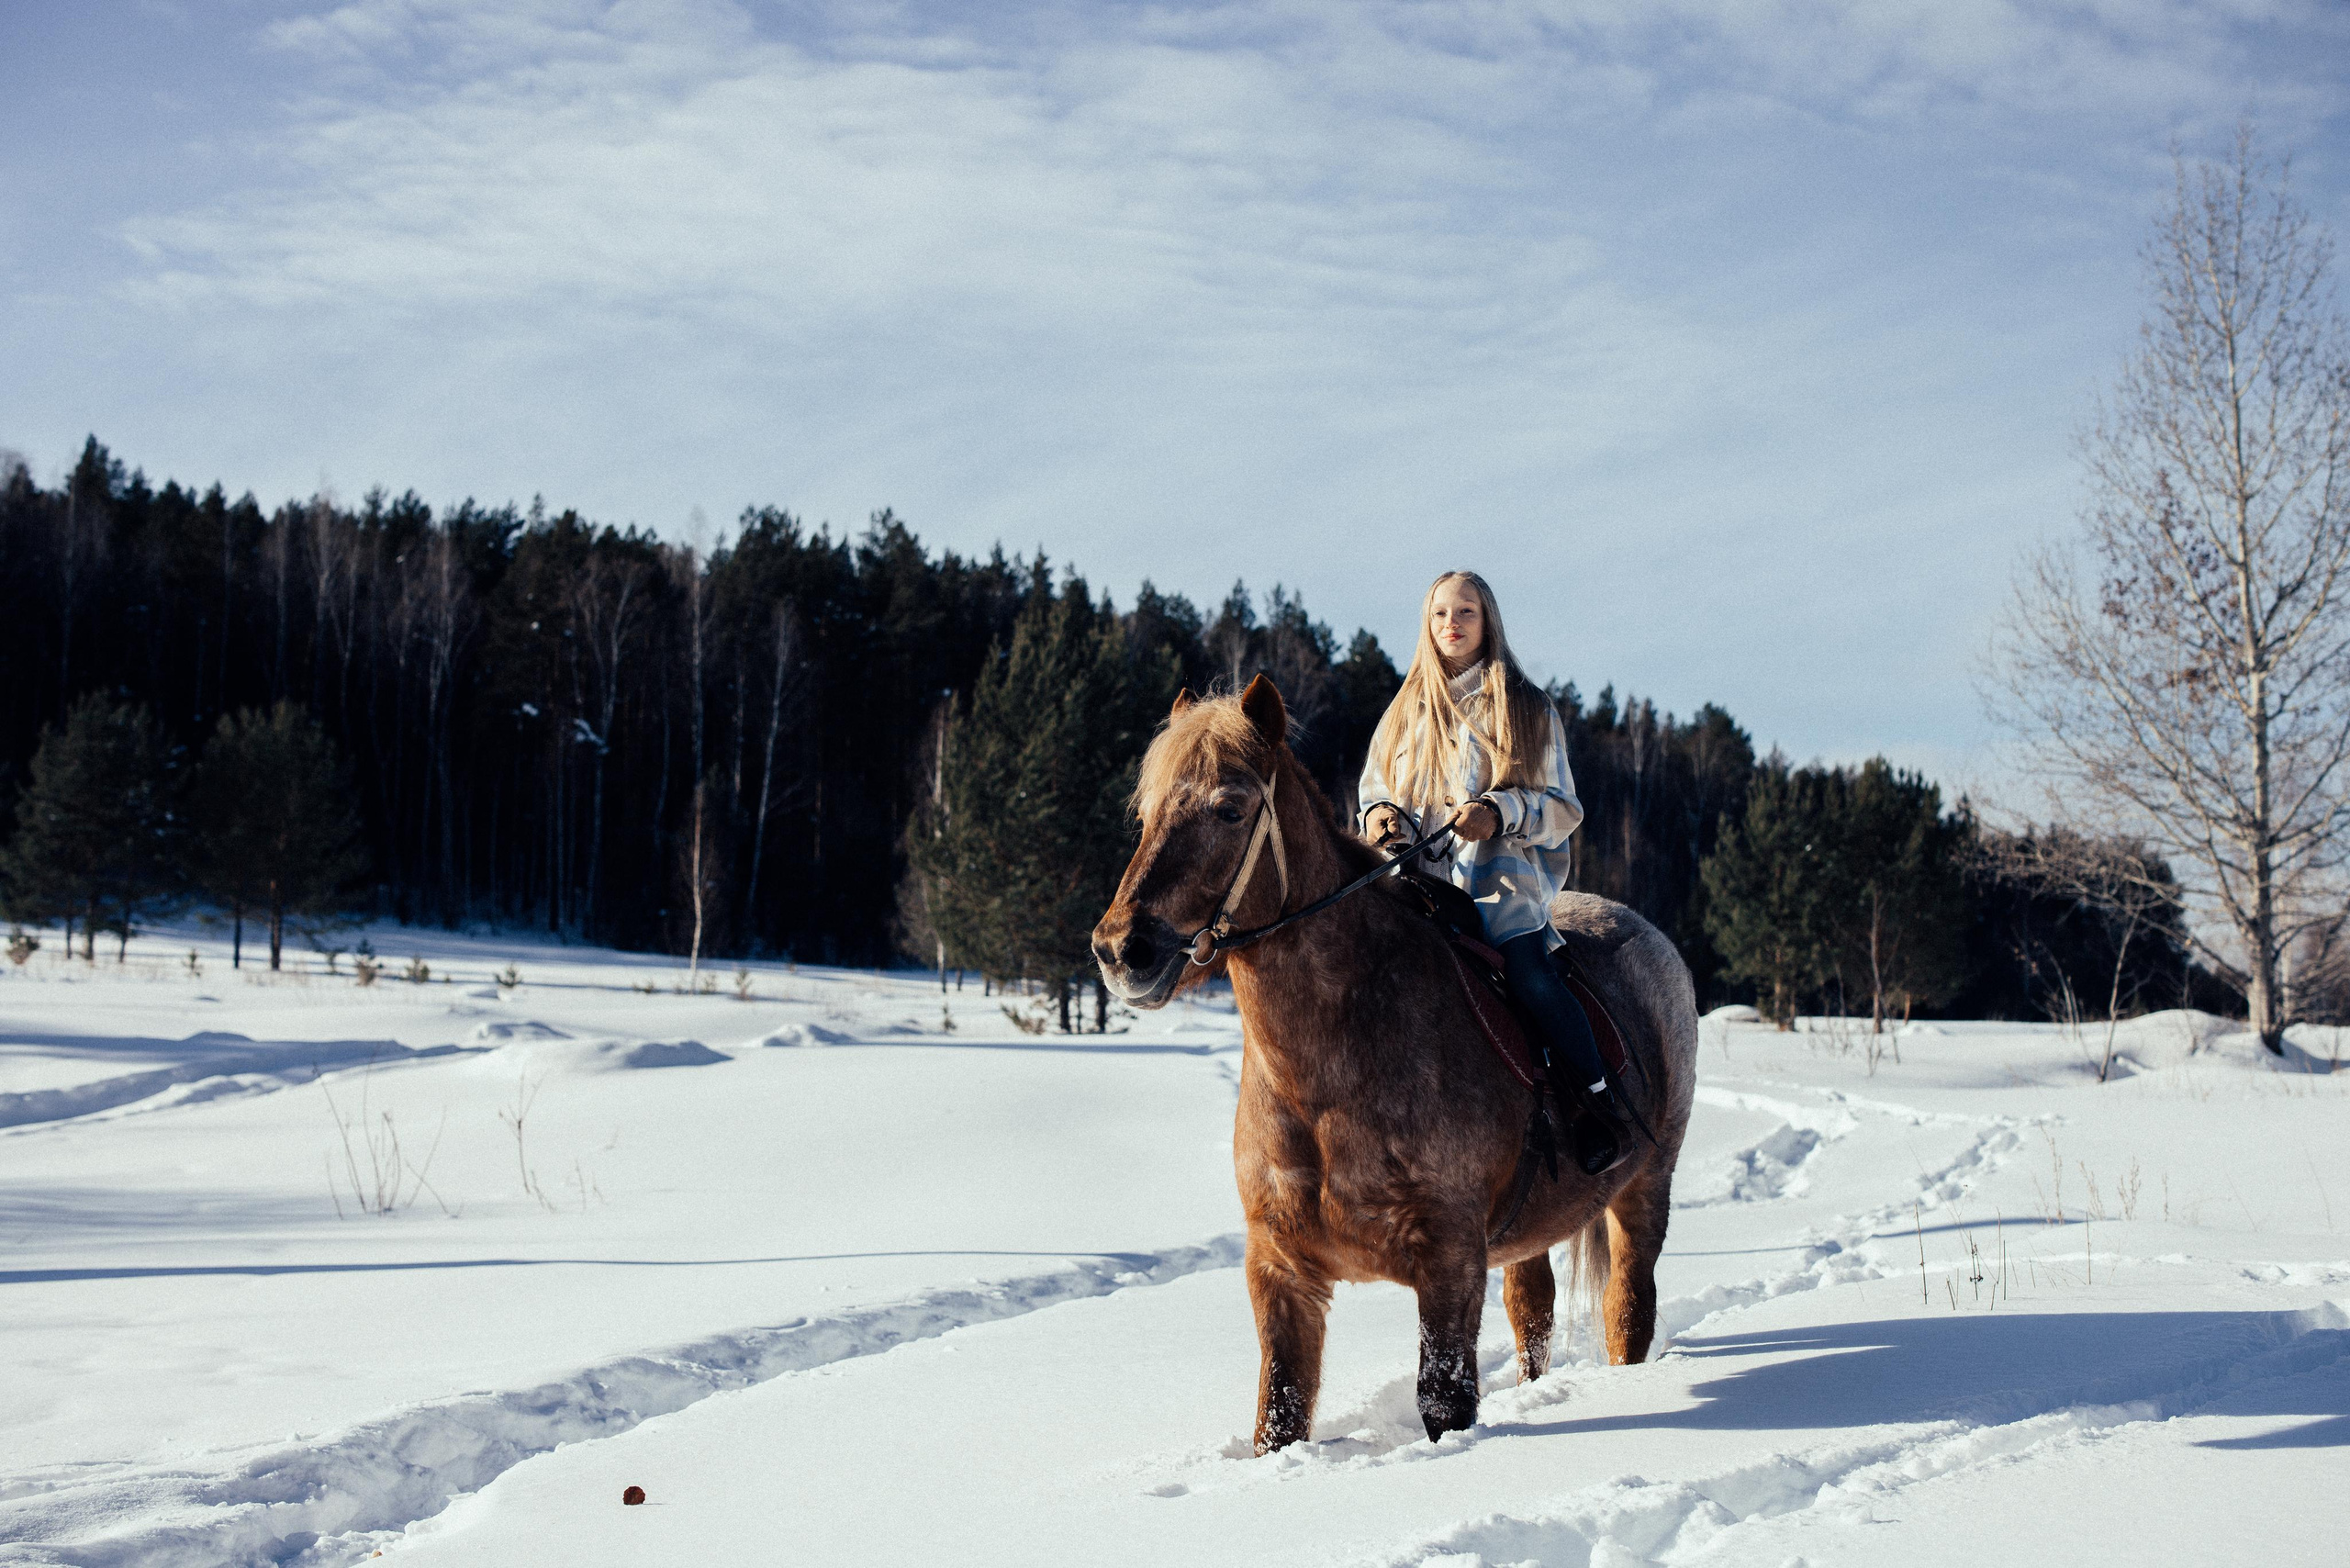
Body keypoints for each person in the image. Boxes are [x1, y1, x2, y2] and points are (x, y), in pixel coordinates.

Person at [1358, 569, 1629, 1175]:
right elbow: (1375, 787)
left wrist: (1500, 812)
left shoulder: (1528, 709)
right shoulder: (1403, 712)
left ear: (1489, 622)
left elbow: (1563, 808)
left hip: (1498, 882)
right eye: (1439, 614)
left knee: (1532, 980)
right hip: (1416, 886)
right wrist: (1381, 818)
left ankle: (1595, 1104)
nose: (1451, 623)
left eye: (1466, 612)